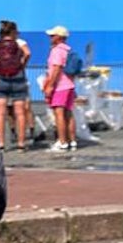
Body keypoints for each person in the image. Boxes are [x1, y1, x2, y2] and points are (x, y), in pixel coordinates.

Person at [0, 20, 31, 152]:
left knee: (0, 113)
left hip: (0, 79)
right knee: (20, 113)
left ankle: (0, 143)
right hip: (18, 78)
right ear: (14, 32)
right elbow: (28, 53)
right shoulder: (20, 43)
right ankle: (21, 144)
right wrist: (23, 64)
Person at [42, 25, 76, 153]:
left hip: (60, 86)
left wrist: (50, 85)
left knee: (59, 114)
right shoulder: (68, 50)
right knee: (69, 114)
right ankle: (72, 141)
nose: (50, 38)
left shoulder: (56, 51)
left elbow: (56, 69)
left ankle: (62, 142)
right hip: (69, 85)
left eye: (52, 35)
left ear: (59, 37)